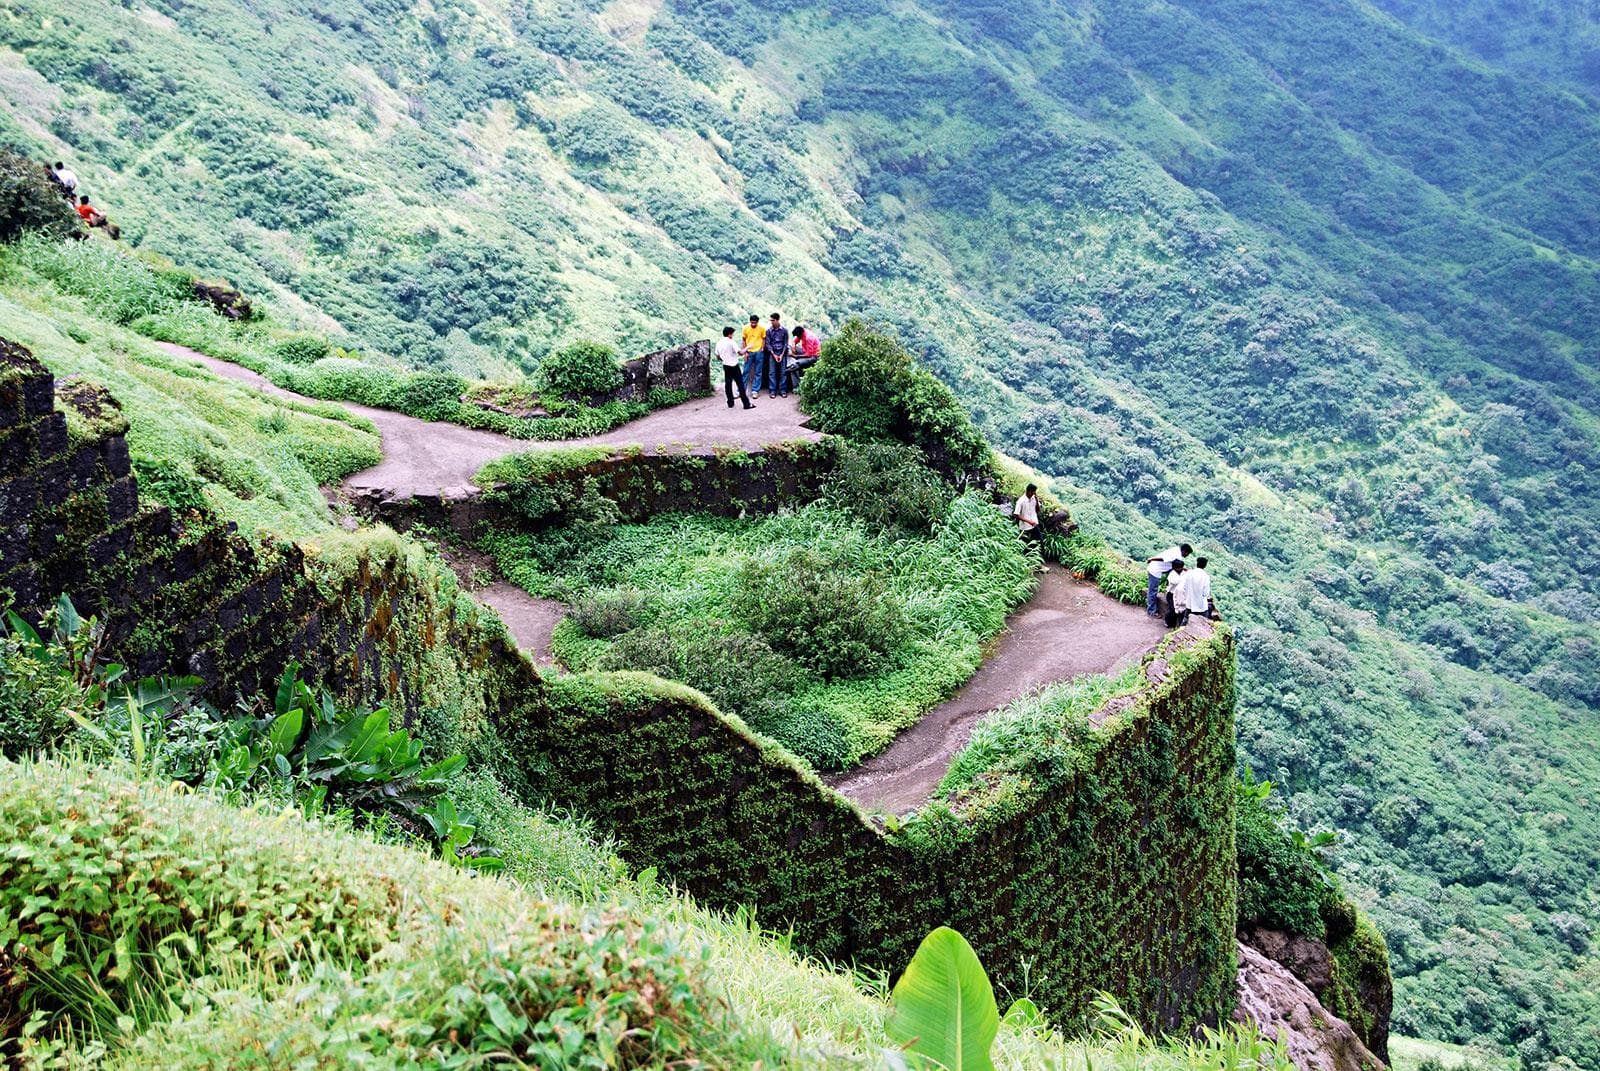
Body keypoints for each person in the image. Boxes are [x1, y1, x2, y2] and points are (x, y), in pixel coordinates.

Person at [1145, 542, 1192, 618]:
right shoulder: (1176, 555)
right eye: (1187, 554)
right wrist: (1151, 559)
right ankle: (1151, 611)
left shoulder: (1176, 550)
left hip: (1157, 569)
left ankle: (1152, 608)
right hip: (1155, 570)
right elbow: (1163, 559)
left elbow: (1176, 565)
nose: (1187, 556)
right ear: (1184, 551)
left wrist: (1185, 569)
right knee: (1152, 591)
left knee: (1153, 590)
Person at [716, 326, 754, 410]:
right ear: (729, 334)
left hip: (725, 365)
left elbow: (718, 356)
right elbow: (740, 353)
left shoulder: (719, 343)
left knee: (728, 384)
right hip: (734, 365)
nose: (732, 335)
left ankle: (730, 402)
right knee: (740, 384)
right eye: (732, 334)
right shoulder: (731, 342)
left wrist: (724, 358)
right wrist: (748, 347)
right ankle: (746, 404)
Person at [763, 313, 790, 399]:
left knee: (783, 372)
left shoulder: (784, 330)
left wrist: (781, 355)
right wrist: (774, 355)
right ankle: (772, 391)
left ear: (777, 320)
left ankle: (783, 390)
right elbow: (768, 343)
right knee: (772, 372)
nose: (771, 322)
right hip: (772, 353)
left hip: (782, 352)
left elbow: (785, 343)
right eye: (771, 320)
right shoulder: (769, 331)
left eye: (773, 320)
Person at [787, 325, 820, 392]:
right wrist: (793, 346)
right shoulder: (802, 333)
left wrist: (795, 356)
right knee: (788, 346)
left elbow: (809, 354)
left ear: (800, 334)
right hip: (805, 351)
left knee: (794, 366)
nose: (797, 337)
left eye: (797, 336)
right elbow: (795, 341)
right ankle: (790, 362)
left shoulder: (808, 338)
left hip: (813, 356)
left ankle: (797, 387)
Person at [740, 314, 767, 395]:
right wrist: (745, 352)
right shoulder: (745, 328)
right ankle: (741, 390)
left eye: (755, 323)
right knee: (745, 371)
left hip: (759, 352)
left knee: (758, 372)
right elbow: (744, 340)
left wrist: (762, 348)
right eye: (752, 323)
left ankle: (755, 390)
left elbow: (764, 339)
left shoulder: (762, 328)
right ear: (750, 321)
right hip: (749, 352)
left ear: (757, 322)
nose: (753, 324)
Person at [1184, 556, 1214, 621]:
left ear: (1197, 563)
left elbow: (1185, 587)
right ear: (1205, 565)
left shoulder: (1189, 573)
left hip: (1189, 602)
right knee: (1203, 622)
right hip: (1200, 605)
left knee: (1186, 620)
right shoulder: (1205, 576)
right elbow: (1206, 593)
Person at [1164, 559, 1189, 627]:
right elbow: (1176, 581)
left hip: (1180, 594)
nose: (1181, 569)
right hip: (1171, 594)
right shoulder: (1172, 575)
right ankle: (1168, 622)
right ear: (1174, 568)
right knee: (1173, 609)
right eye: (1179, 567)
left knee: (1181, 609)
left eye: (1181, 567)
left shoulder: (1183, 573)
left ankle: (1174, 624)